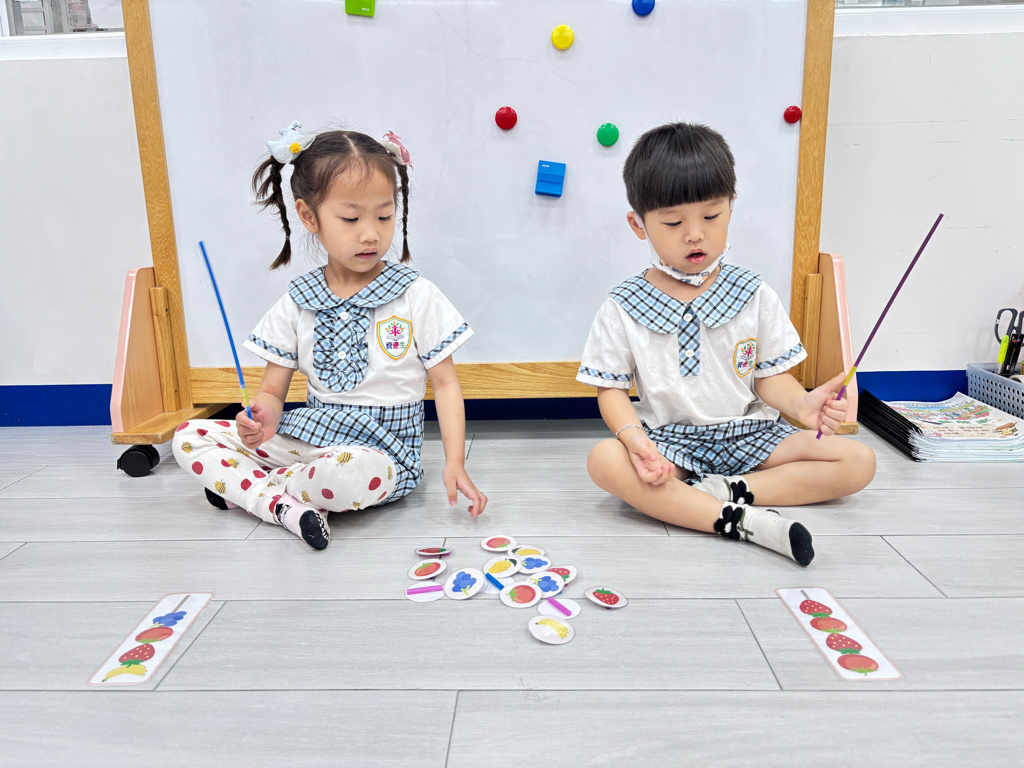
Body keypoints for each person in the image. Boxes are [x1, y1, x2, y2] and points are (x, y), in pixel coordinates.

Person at [173, 123, 486, 550]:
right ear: (308, 216)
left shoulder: (415, 294)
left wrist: (454, 463)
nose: (371, 233)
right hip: (308, 439)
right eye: (351, 218)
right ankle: (285, 505)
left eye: (385, 215)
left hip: (382, 455)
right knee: (189, 436)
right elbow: (272, 392)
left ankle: (254, 492)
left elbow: (446, 384)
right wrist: (260, 419)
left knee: (346, 474)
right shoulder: (298, 300)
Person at [578, 122, 875, 567]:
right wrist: (635, 439)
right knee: (604, 460)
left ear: (731, 207)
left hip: (753, 435)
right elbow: (611, 391)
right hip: (671, 442)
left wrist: (803, 405)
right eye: (673, 222)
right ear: (638, 224)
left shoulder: (753, 293)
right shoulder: (622, 305)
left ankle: (729, 492)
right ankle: (738, 521)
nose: (694, 234)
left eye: (711, 216)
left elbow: (770, 378)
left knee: (859, 461)